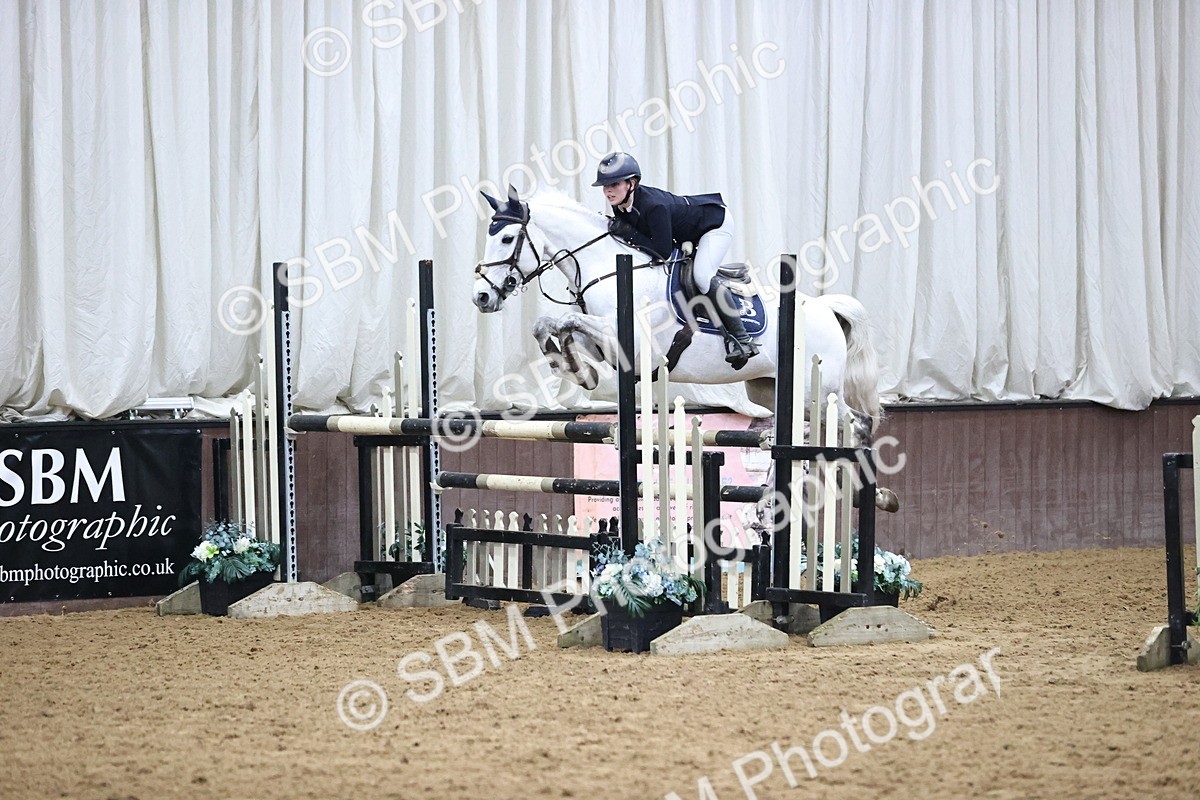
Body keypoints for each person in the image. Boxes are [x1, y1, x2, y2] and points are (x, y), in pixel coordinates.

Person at [592, 151, 759, 368]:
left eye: (613, 184)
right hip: (686, 231)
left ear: (631, 183)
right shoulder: (620, 204)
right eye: (605, 186)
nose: (608, 191)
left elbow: (662, 252)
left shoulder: (654, 206)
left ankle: (743, 339)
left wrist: (629, 233)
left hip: (715, 225)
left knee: (701, 276)